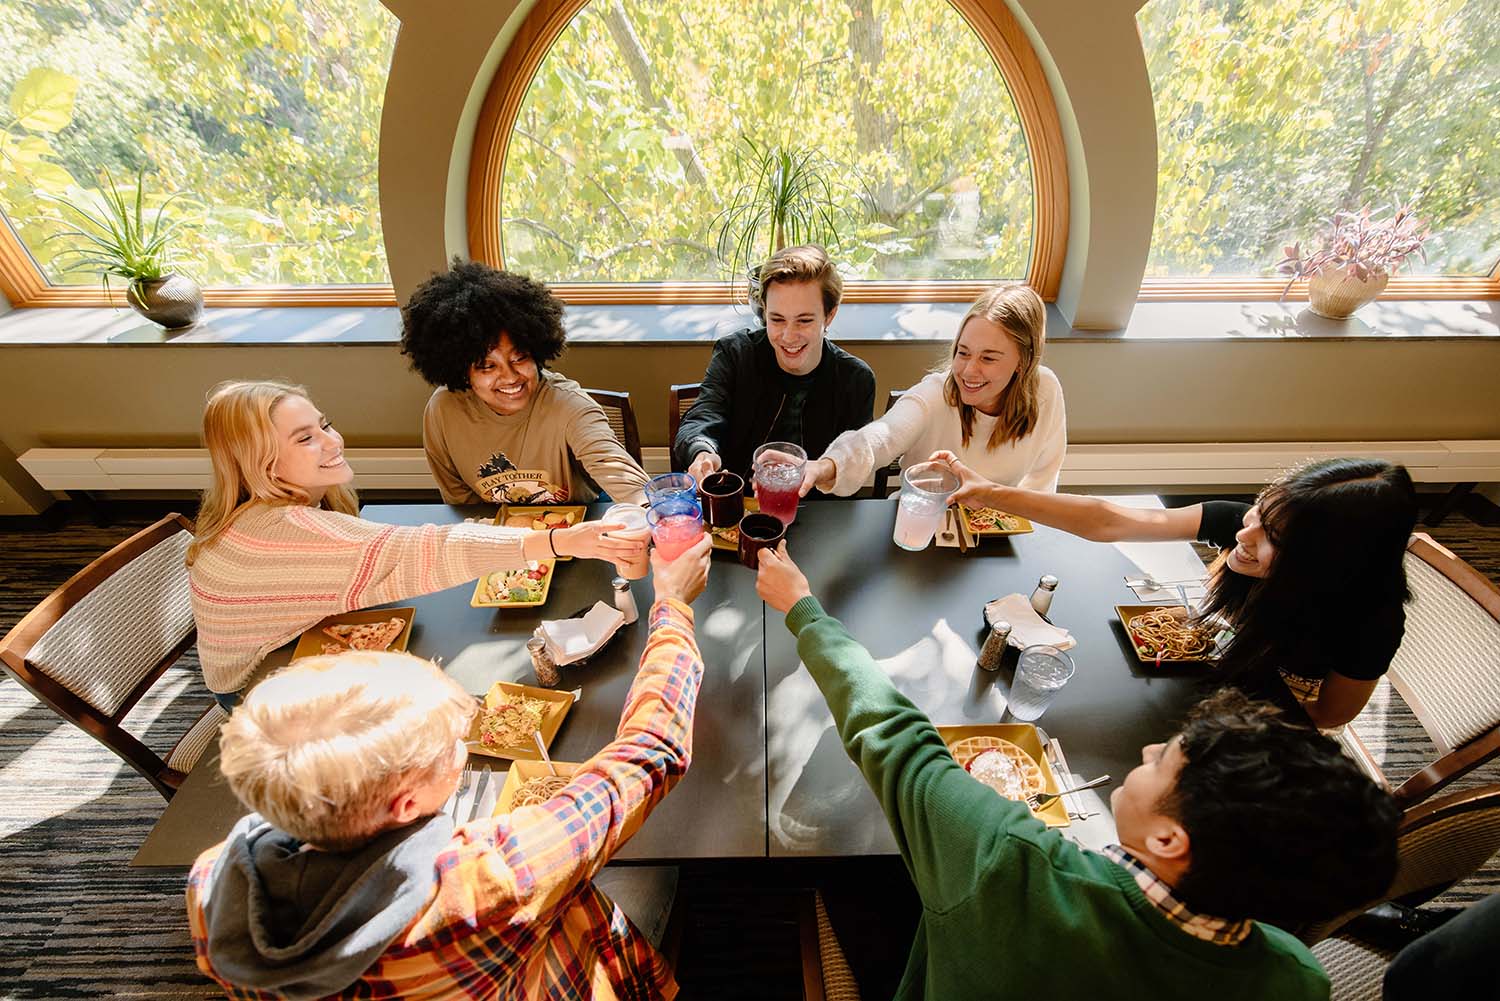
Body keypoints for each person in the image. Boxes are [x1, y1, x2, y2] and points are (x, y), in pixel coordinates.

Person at [755, 542, 1400, 1001]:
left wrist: (804, 609)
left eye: (1165, 761)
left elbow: (892, 733)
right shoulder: (1297, 977)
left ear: (1172, 841)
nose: (1149, 752)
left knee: (839, 861)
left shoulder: (1010, 861)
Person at [186, 534, 713, 1000]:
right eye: (454, 746)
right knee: (657, 872)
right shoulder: (489, 879)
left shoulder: (210, 884)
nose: (463, 748)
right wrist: (671, 606)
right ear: (407, 803)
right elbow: (650, 752)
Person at [187, 380, 644, 703]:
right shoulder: (288, 533)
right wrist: (562, 540)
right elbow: (427, 550)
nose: (332, 442)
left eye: (325, 425)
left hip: (296, 645)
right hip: (255, 690)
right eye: (306, 438)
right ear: (264, 465)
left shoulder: (281, 508)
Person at [938, 454, 1418, 728]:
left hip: (1252, 719)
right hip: (1207, 676)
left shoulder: (1370, 621)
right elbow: (1110, 520)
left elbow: (1329, 716)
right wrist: (992, 492)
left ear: (1326, 563)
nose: (1244, 535)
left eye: (1273, 538)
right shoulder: (1249, 530)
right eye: (1258, 512)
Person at [401, 259, 648, 506]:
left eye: (519, 358)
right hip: (495, 535)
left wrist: (656, 511)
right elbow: (460, 504)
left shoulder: (569, 406)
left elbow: (617, 470)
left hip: (581, 525)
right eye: (487, 366)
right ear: (462, 372)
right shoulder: (443, 410)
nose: (510, 376)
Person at [800, 283, 1065, 497]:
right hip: (924, 522)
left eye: (988, 358)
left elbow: (1042, 482)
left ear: (1024, 361)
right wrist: (825, 465)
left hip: (998, 531)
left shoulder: (1047, 390)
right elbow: (882, 436)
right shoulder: (935, 395)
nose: (968, 371)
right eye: (963, 352)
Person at [673, 244, 875, 485]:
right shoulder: (735, 354)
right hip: (740, 508)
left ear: (829, 315)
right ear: (764, 311)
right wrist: (703, 452)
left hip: (818, 509)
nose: (788, 336)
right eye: (777, 319)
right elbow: (704, 414)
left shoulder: (856, 380)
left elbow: (856, 462)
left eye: (804, 320)